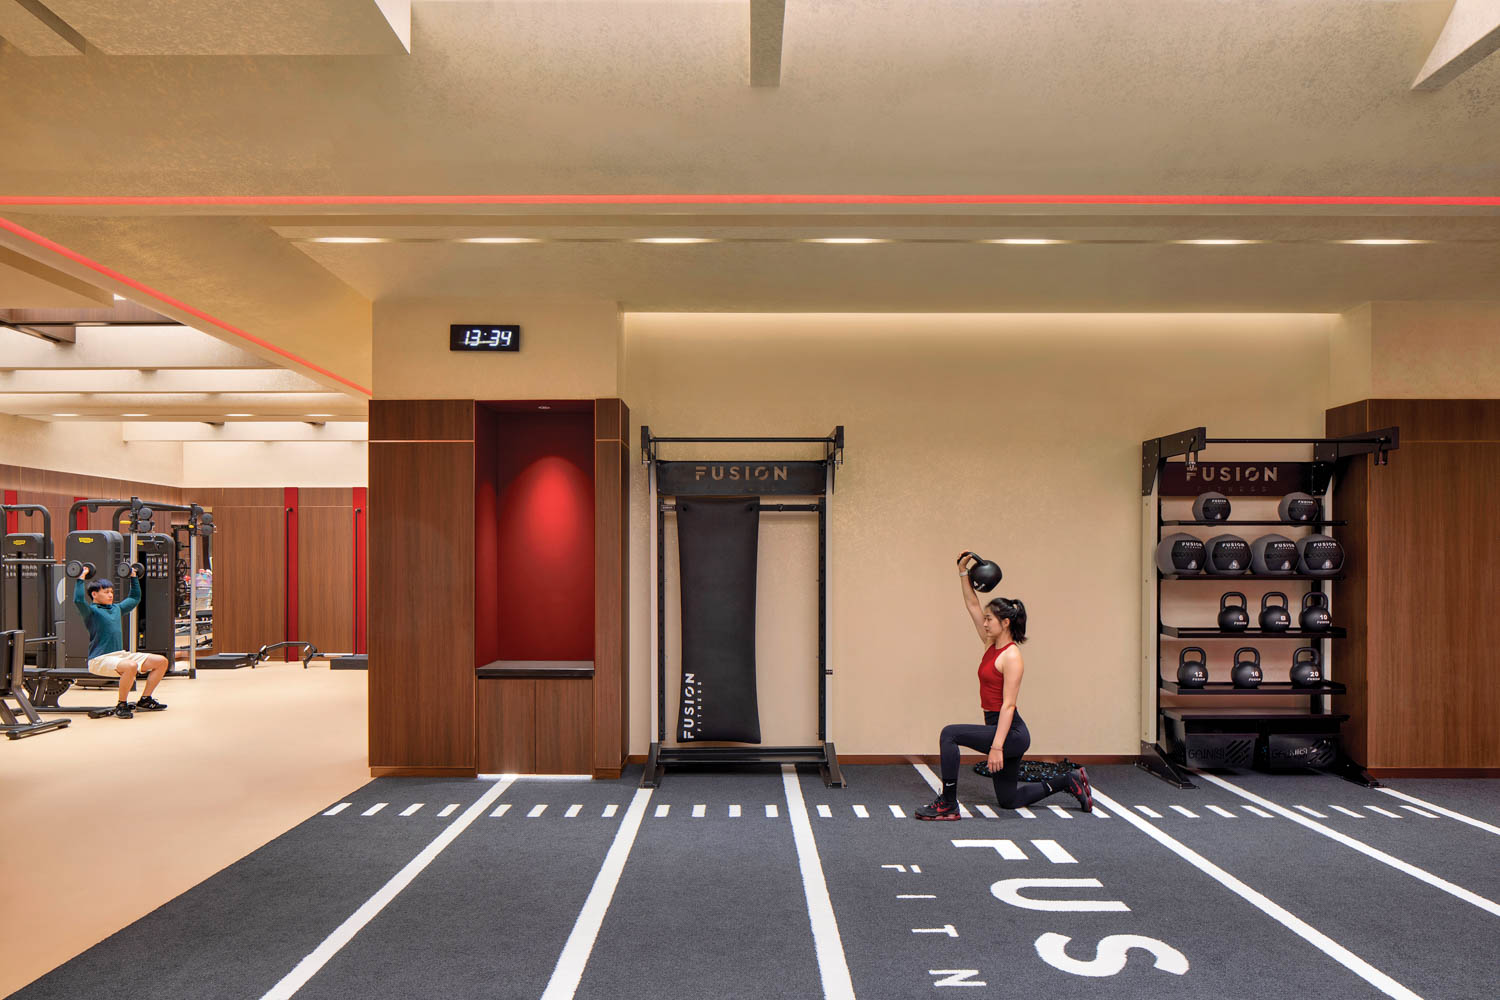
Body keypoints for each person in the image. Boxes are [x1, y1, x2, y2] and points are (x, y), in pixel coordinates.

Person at [915, 552, 1090, 820]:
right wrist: (963, 572)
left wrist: (996, 746)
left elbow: (1008, 705)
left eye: (989, 620)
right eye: (984, 619)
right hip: (998, 727)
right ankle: (1068, 781)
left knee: (949, 734)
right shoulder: (990, 645)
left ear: (1005, 623)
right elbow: (972, 605)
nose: (984, 623)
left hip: (1011, 732)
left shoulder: (1011, 656)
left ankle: (948, 803)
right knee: (1009, 800)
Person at [74, 566, 169, 719]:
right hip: (99, 659)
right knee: (130, 666)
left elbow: (134, 598)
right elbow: (78, 600)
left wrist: (133, 576)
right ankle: (121, 704)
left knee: (161, 662)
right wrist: (81, 577)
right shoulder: (91, 612)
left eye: (111, 591)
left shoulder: (116, 608)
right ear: (94, 594)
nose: (110, 595)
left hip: (120, 655)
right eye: (106, 592)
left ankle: (145, 700)